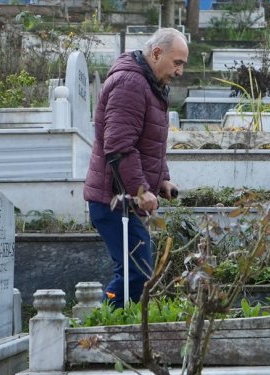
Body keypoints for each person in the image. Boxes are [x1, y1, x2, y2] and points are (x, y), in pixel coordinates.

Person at [84, 28, 188, 307]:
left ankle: (110, 324)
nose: (180, 71)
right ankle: (98, 323)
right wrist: (140, 191)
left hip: (125, 199)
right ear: (156, 54)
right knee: (136, 272)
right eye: (177, 63)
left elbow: (149, 143)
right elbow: (119, 148)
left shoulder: (151, 85)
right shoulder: (130, 83)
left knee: (135, 271)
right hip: (113, 199)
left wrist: (163, 180)